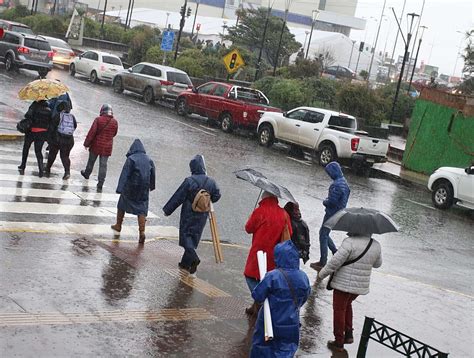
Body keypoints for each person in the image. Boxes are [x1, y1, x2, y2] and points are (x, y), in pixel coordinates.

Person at [318, 233, 382, 353]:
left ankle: (338, 341)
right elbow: (378, 264)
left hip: (342, 284)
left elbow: (334, 262)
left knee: (339, 310)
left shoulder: (349, 242)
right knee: (347, 305)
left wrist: (322, 274)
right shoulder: (376, 245)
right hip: (359, 286)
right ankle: (348, 334)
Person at [250, 240, 311, 358]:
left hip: (270, 320)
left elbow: (257, 296)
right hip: (291, 321)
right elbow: (305, 296)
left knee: (262, 347)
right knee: (286, 350)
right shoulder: (303, 277)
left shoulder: (273, 275)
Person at [163, 155, 220, 275]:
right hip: (202, 215)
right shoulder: (211, 182)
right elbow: (217, 196)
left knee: (185, 237)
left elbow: (178, 197)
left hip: (189, 213)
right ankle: (185, 263)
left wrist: (167, 210)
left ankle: (194, 258)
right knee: (193, 237)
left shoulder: (189, 181)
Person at [243, 191, 292, 316]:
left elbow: (248, 228)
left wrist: (251, 217)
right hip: (275, 255)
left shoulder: (259, 211)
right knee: (267, 279)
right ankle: (255, 307)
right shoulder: (284, 214)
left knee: (251, 277)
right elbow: (289, 233)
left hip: (258, 253)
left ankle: (261, 302)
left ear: (263, 198)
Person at [111, 139, 155, 244]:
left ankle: (118, 225)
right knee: (142, 209)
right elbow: (152, 174)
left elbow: (125, 174)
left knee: (122, 204)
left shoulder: (131, 159)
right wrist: (152, 186)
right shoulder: (149, 160)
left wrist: (120, 188)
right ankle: (142, 232)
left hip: (131, 188)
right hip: (143, 189)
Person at [310, 162, 350, 271]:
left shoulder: (336, 185)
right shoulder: (345, 183)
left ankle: (323, 262)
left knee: (323, 235)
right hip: (339, 213)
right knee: (325, 233)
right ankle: (335, 252)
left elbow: (332, 202)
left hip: (331, 213)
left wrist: (325, 202)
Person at [81, 104, 118, 191]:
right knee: (103, 165)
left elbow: (92, 133)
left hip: (96, 145)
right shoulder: (115, 122)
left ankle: (87, 174)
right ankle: (100, 183)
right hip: (107, 147)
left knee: (91, 161)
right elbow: (114, 133)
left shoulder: (98, 119)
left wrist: (86, 144)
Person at [18, 100, 52, 177]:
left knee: (26, 148)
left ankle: (23, 165)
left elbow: (27, 116)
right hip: (42, 133)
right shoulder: (49, 110)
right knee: (38, 151)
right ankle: (40, 170)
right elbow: (50, 122)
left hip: (31, 131)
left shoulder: (34, 107)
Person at [45, 101, 77, 180]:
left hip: (57, 139)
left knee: (52, 154)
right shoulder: (72, 117)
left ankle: (48, 168)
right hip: (69, 140)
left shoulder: (58, 116)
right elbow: (74, 126)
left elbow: (51, 128)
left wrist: (48, 139)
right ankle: (67, 172)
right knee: (65, 156)